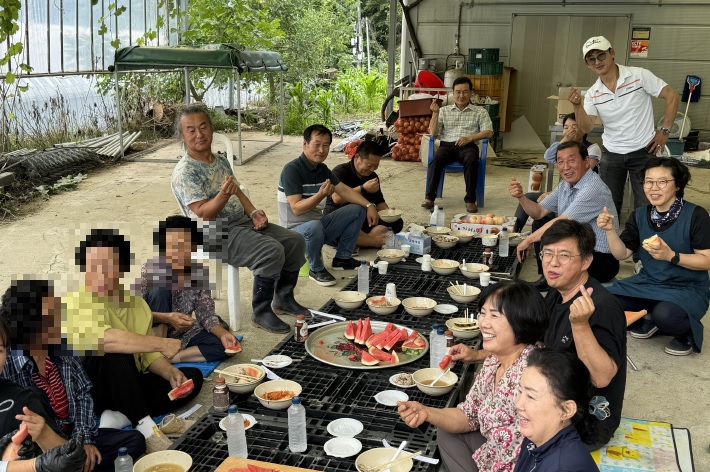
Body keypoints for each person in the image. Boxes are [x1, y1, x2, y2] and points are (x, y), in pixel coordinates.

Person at [452, 220, 627, 450]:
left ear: (586, 261)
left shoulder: (602, 308)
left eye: (564, 256)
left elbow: (602, 378)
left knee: (485, 425)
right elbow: (526, 344)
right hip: (550, 395)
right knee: (474, 418)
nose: (552, 263)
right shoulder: (556, 294)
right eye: (547, 253)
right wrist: (477, 355)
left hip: (582, 425)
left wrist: (580, 325)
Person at [171, 104, 308, 333]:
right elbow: (204, 213)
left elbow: (236, 190)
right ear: (182, 136)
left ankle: (283, 298)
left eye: (203, 127)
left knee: (295, 241)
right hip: (210, 232)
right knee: (270, 250)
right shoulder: (185, 172)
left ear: (212, 128)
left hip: (240, 223)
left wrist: (252, 211)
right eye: (191, 130)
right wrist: (223, 195)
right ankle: (261, 311)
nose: (199, 134)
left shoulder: (220, 160)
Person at [397, 281, 549, 472]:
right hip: (494, 453)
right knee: (446, 431)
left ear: (522, 321)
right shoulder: (494, 360)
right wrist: (426, 413)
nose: (483, 323)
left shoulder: (532, 375)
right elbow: (468, 414)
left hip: (520, 466)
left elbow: (538, 452)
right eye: (483, 313)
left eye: (494, 315)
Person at [63, 229, 203, 428]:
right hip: (91, 390)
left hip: (127, 385)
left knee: (192, 377)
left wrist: (170, 372)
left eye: (107, 265)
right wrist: (161, 342)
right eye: (91, 267)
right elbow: (105, 340)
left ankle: (120, 417)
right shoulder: (76, 302)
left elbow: (148, 358)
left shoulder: (138, 305)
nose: (99, 274)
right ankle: (145, 426)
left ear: (123, 267)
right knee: (114, 351)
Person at [0, 279, 145, 471]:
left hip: (73, 435)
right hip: (40, 447)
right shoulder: (8, 365)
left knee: (134, 441)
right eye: (48, 317)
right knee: (34, 396)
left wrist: (83, 440)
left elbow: (82, 394)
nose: (58, 322)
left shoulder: (62, 347)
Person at [598, 157, 710, 356]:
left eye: (662, 181)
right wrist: (609, 231)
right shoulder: (640, 215)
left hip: (687, 287)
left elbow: (707, 261)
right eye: (649, 181)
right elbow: (622, 253)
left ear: (677, 185)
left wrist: (671, 256)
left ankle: (679, 333)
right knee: (604, 301)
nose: (653, 187)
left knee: (667, 316)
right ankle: (649, 319)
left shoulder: (696, 215)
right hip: (648, 283)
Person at [569, 35, 680, 215]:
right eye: (591, 59)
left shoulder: (638, 76)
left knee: (647, 204)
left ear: (612, 53)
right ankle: (610, 243)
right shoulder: (592, 93)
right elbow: (587, 127)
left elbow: (672, 96)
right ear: (588, 65)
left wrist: (665, 131)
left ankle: (646, 242)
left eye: (601, 55)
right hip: (612, 155)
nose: (597, 62)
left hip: (644, 151)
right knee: (607, 206)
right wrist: (577, 106)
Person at [278, 124, 379, 286]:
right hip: (294, 233)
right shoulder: (292, 170)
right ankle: (316, 268)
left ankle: (342, 258)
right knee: (313, 226)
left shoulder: (322, 169)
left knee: (357, 209)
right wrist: (320, 195)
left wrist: (369, 205)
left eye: (326, 146)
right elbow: (296, 208)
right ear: (305, 144)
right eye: (317, 144)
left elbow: (345, 191)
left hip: (317, 228)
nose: (321, 150)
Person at [509, 141, 619, 287]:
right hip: (579, 250)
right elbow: (539, 212)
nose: (566, 167)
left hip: (600, 260)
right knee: (540, 221)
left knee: (555, 228)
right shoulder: (565, 184)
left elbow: (563, 222)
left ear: (586, 162)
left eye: (571, 160)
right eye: (561, 162)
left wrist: (528, 240)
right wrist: (521, 197)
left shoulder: (593, 188)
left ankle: (554, 279)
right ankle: (546, 276)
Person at [141, 216, 240, 363]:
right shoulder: (150, 270)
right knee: (160, 291)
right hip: (153, 333)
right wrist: (167, 318)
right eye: (171, 246)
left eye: (184, 246)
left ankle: (172, 358)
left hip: (182, 333)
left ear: (194, 246)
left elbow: (205, 314)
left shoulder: (199, 274)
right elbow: (135, 312)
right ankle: (157, 352)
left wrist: (223, 333)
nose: (177, 253)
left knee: (223, 345)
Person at [513, 349, 598, 472]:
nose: (518, 404)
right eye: (520, 391)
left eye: (531, 396)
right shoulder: (535, 438)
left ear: (566, 410)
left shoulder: (562, 466)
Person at [514, 113, 601, 232]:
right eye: (566, 127)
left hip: (579, 196)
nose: (570, 130)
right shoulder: (562, 147)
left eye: (574, 127)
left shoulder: (592, 148)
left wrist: (551, 193)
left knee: (545, 221)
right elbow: (548, 157)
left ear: (584, 130)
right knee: (530, 201)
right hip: (563, 192)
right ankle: (513, 231)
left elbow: (583, 175)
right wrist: (565, 140)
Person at [423, 76, 494, 213]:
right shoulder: (443, 111)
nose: (461, 95)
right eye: (458, 92)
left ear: (471, 93)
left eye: (465, 92)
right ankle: (430, 198)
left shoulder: (480, 111)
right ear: (453, 93)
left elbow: (488, 132)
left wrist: (470, 138)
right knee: (436, 160)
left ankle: (470, 200)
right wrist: (435, 114)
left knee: (472, 160)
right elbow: (433, 133)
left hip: (468, 146)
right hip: (447, 146)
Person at [324, 141, 403, 248]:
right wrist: (363, 188)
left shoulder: (372, 176)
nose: (371, 169)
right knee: (338, 230)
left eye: (375, 166)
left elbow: (379, 201)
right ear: (357, 157)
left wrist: (388, 214)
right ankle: (373, 240)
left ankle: (363, 238)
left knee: (397, 222)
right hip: (340, 220)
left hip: (365, 220)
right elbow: (337, 198)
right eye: (369, 165)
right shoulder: (340, 172)